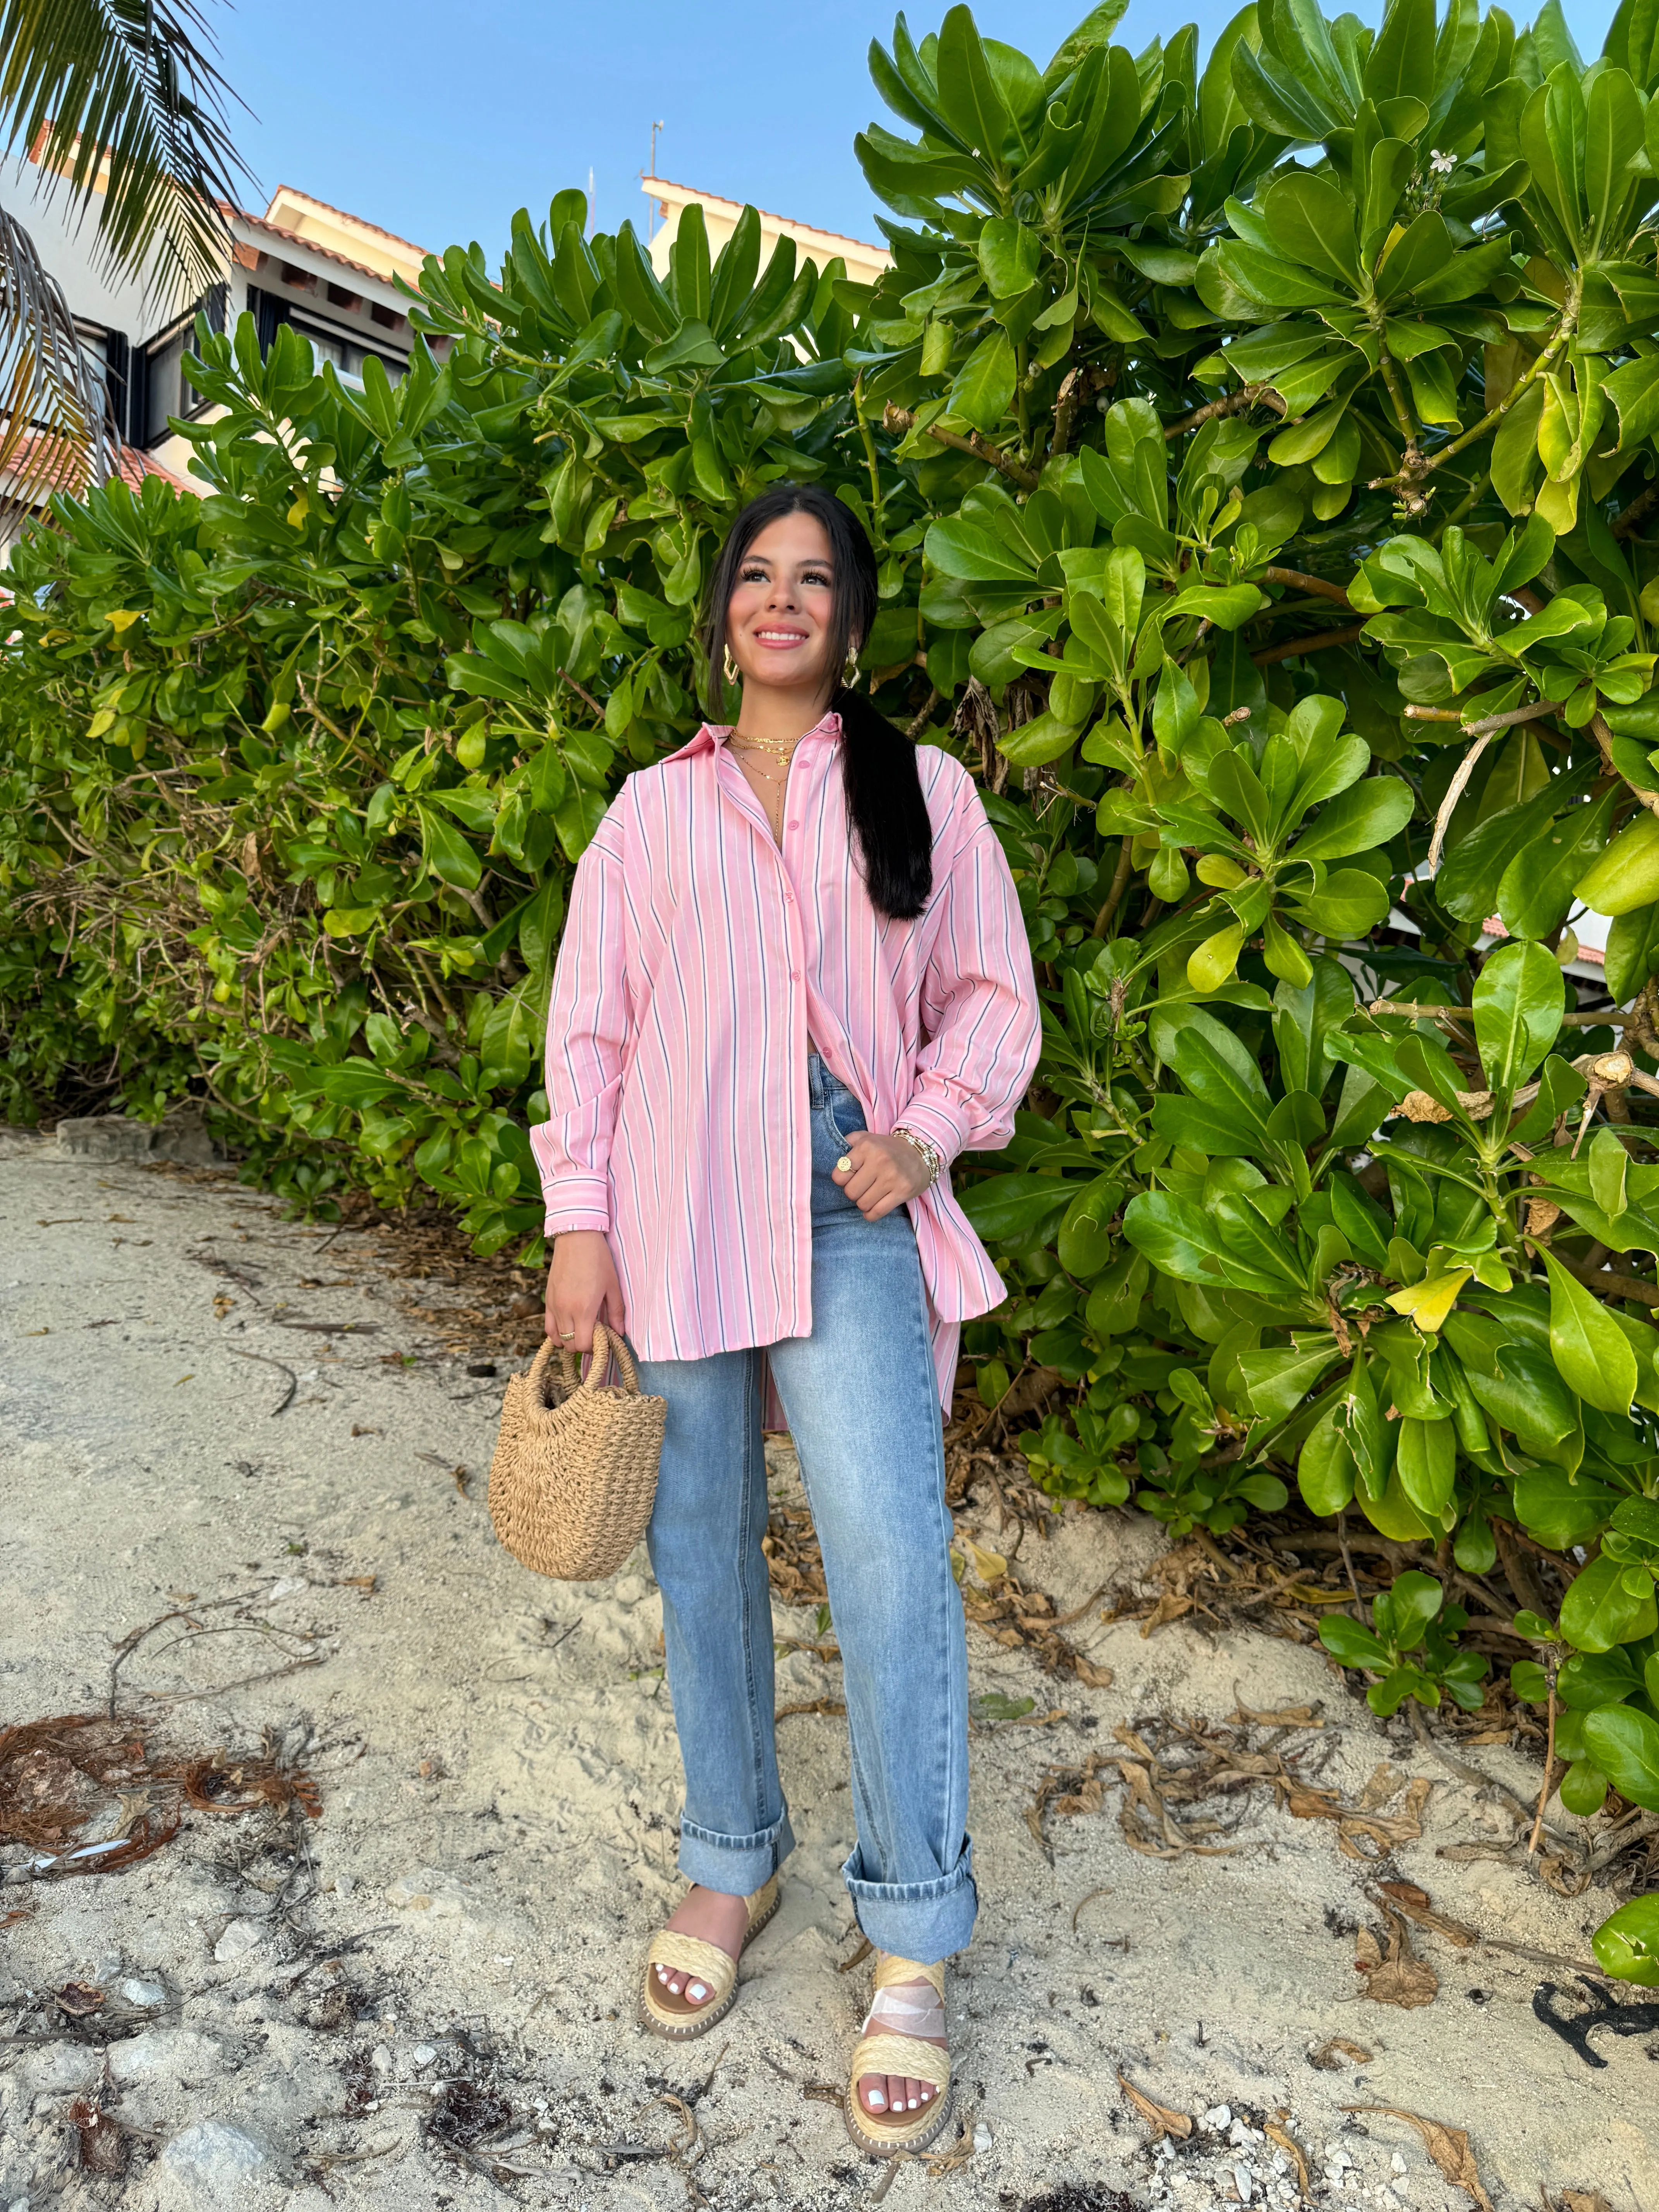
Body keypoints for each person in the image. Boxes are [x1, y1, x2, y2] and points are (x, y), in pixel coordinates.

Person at [534, 482, 1041, 2157]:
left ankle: (910, 1937)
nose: (783, 599)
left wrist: (929, 1128)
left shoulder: (923, 791)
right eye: (757, 573)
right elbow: (591, 1033)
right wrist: (579, 1225)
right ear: (724, 610)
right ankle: (730, 1864)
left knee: (890, 1559)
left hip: (849, 1211)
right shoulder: (651, 812)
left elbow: (987, 998)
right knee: (699, 1552)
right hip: (674, 1216)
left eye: (814, 578)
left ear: (854, 620)